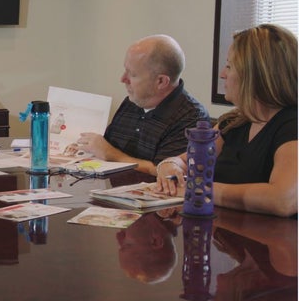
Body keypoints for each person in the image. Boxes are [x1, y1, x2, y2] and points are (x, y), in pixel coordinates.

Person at [155, 24, 297, 217]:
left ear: (255, 75)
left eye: (229, 66)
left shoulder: (291, 124)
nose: (223, 74)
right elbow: (185, 162)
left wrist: (200, 190)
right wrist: (169, 166)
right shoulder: (234, 122)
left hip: (268, 243)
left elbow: (284, 200)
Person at [66, 35, 209, 175]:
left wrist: (111, 154)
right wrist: (86, 148)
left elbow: (163, 171)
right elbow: (105, 149)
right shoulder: (133, 101)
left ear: (161, 82)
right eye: (125, 70)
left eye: (132, 75)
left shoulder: (192, 117)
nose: (123, 79)